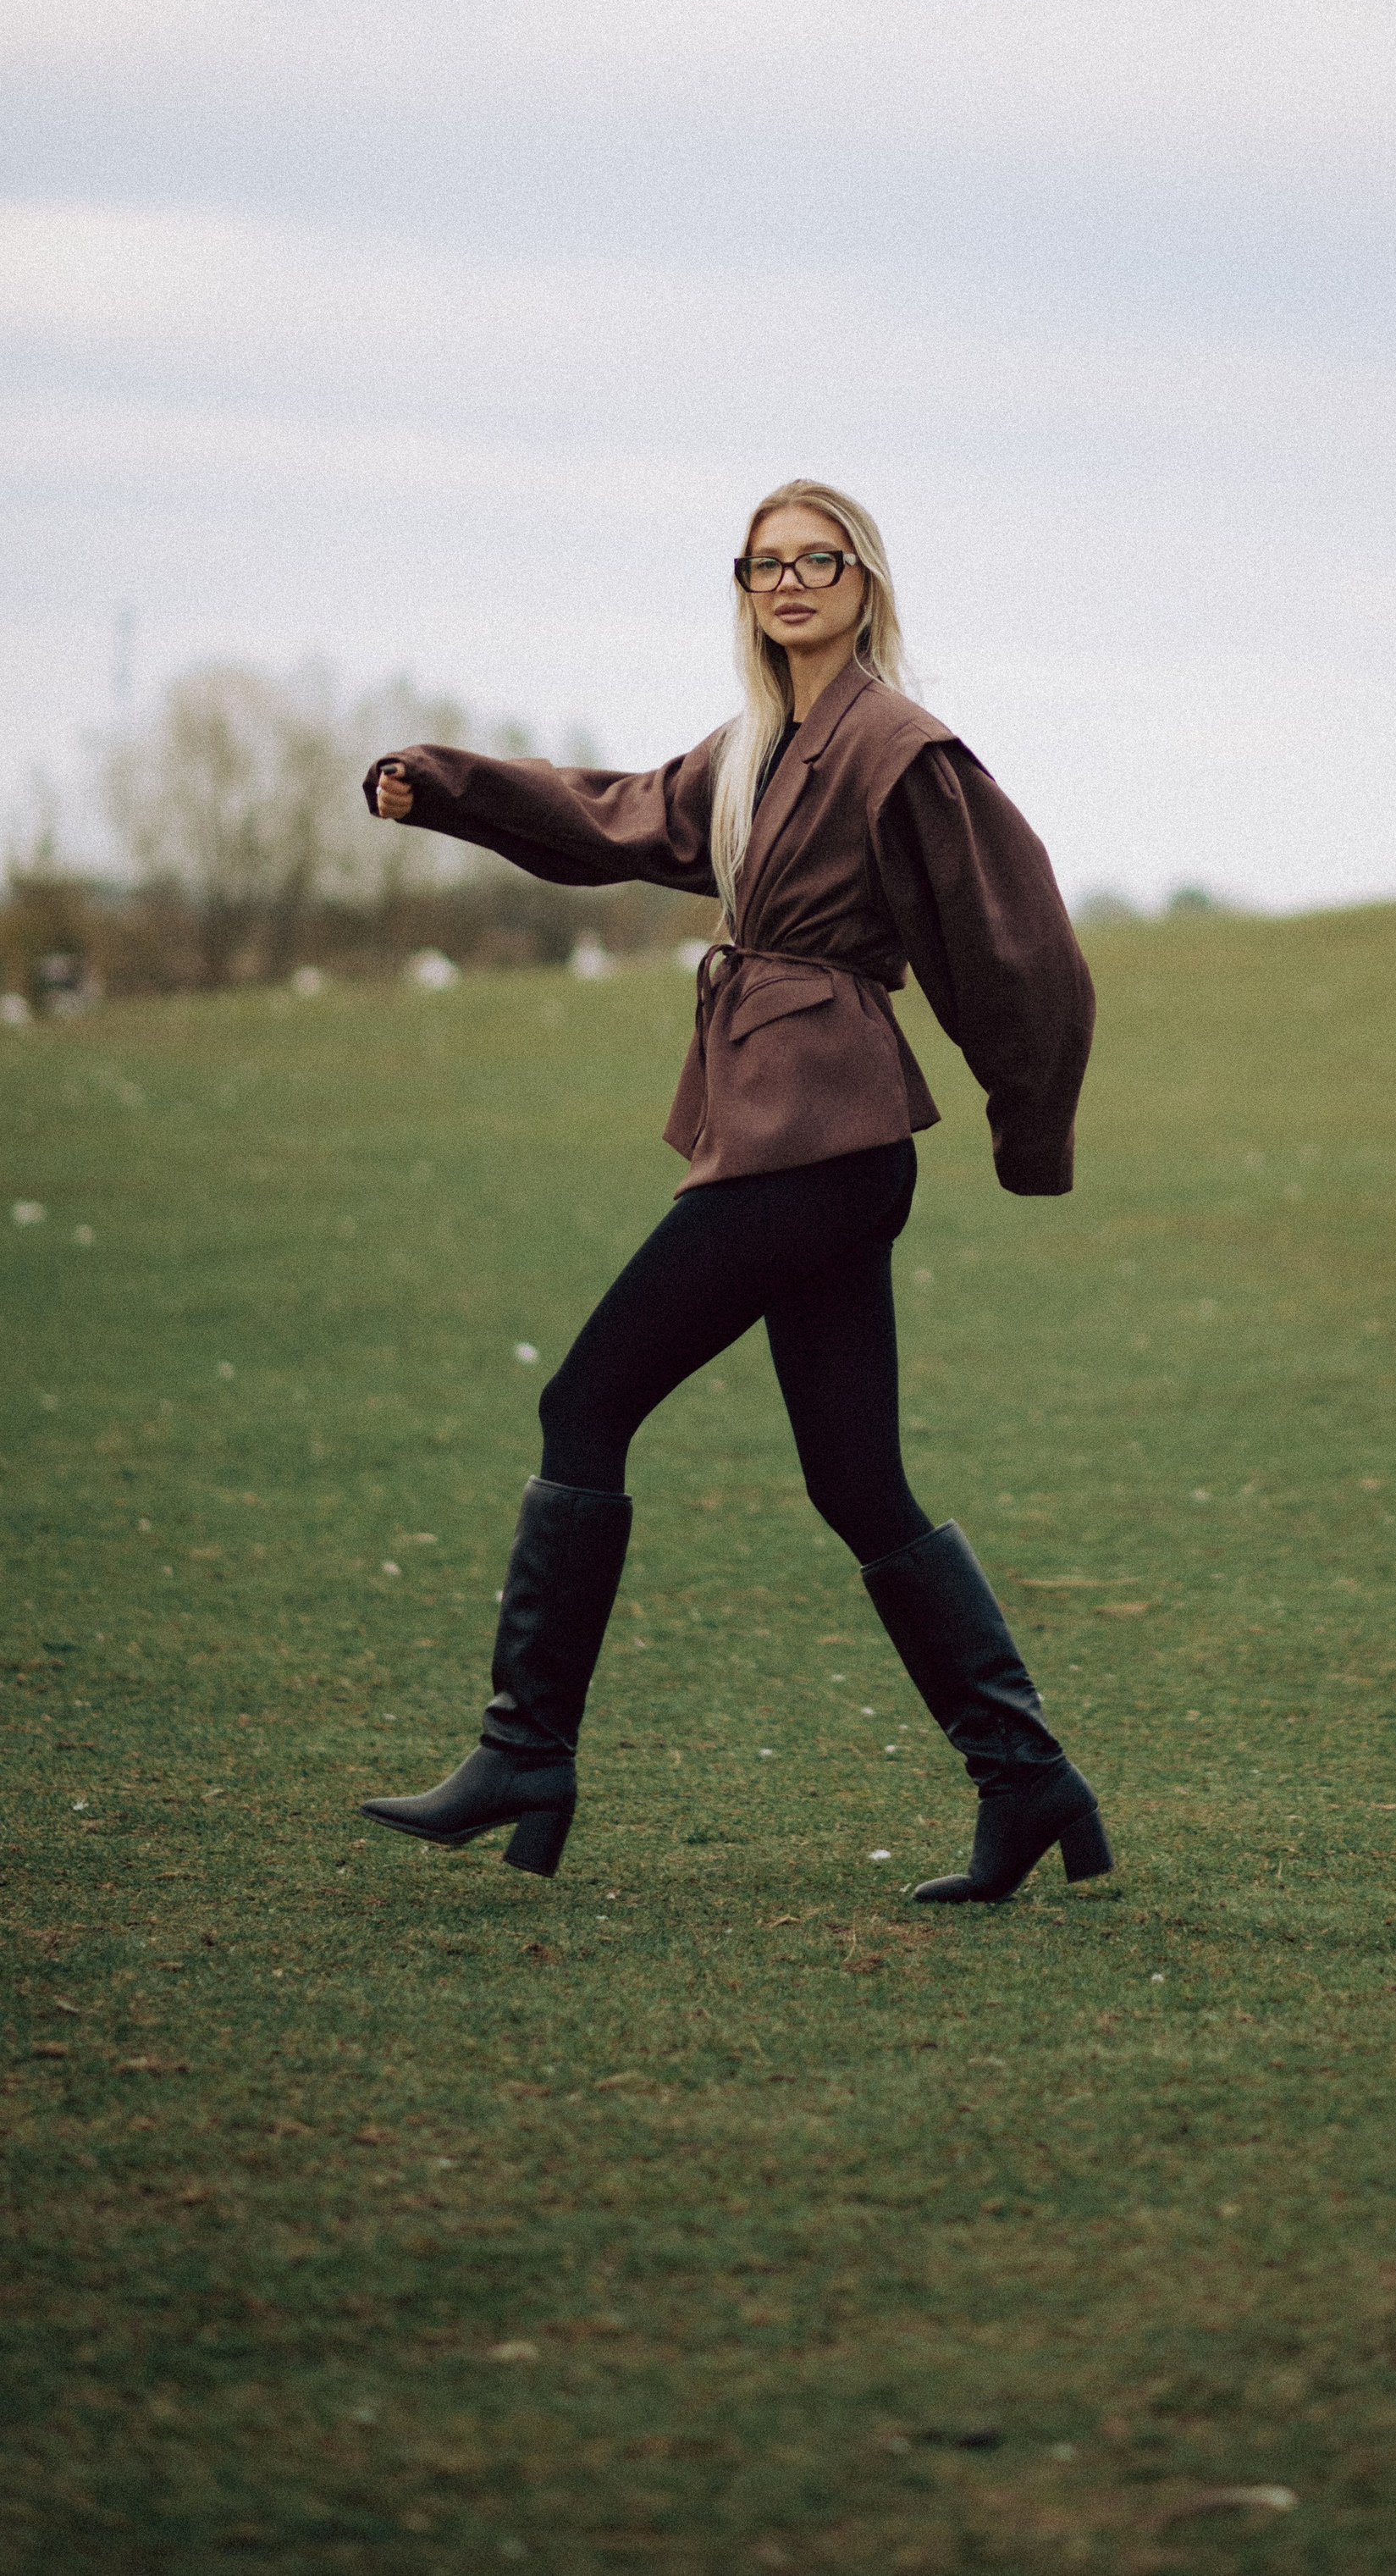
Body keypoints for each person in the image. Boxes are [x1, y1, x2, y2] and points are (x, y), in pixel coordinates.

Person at [356, 478, 1107, 1906]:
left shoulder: (901, 749)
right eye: (766, 564)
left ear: (865, 583)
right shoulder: (754, 748)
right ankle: (1028, 1782)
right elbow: (614, 816)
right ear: (746, 590)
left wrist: (1032, 1137)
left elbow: (1016, 950)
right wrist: (444, 785)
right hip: (793, 1133)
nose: (791, 582)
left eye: (820, 560)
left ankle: (524, 1754)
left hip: (823, 1137)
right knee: (857, 1481)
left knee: (584, 1404)